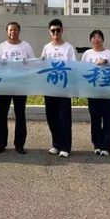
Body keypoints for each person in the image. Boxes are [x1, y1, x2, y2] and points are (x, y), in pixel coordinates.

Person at [0, 22, 34, 154]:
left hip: (20, 84)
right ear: (7, 31)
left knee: (20, 113)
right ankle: (1, 143)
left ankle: (19, 144)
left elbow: (32, 63)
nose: (13, 32)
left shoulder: (26, 46)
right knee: (2, 113)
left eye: (15, 30)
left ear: (19, 31)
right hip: (5, 84)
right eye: (10, 30)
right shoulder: (2, 46)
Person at [41, 19, 75, 158]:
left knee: (64, 117)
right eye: (53, 30)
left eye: (58, 30)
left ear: (62, 30)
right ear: (49, 32)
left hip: (64, 87)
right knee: (51, 117)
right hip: (50, 87)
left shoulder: (68, 48)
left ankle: (65, 147)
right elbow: (43, 65)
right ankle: (56, 144)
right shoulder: (46, 48)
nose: (56, 33)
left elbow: (73, 66)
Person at [81, 29, 110, 156]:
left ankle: (106, 147)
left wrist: (106, 62)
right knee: (95, 119)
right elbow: (82, 70)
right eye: (93, 37)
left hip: (108, 91)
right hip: (93, 91)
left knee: (108, 119)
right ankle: (97, 145)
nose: (96, 39)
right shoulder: (87, 54)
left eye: (98, 37)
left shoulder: (109, 53)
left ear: (103, 39)